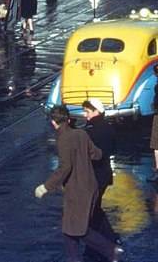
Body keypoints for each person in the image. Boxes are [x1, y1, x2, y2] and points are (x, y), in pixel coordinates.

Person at [34, 105, 122, 262]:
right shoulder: (81, 133)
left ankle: (111, 250)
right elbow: (97, 154)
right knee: (70, 229)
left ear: (54, 122)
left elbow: (65, 167)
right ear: (68, 119)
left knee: (77, 230)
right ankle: (76, 258)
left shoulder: (63, 139)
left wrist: (46, 186)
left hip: (77, 190)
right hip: (90, 185)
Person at [82, 99, 117, 242]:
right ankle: (108, 238)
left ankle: (105, 240)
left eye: (87, 112)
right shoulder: (107, 127)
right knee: (95, 207)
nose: (85, 115)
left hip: (95, 175)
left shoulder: (91, 131)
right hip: (103, 173)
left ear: (96, 111)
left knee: (92, 209)